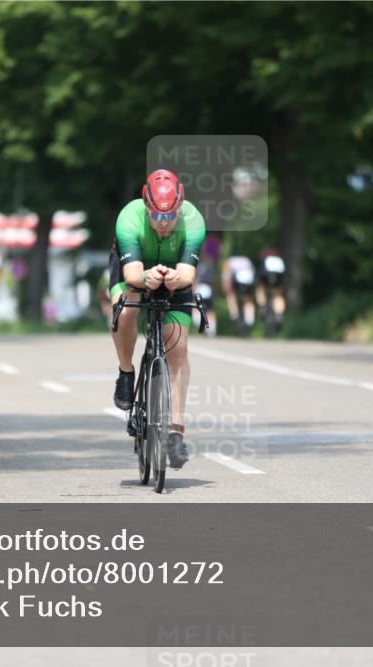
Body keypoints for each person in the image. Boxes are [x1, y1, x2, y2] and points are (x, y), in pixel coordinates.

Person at [110, 169, 205, 469]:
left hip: (174, 275)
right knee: (127, 309)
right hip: (137, 270)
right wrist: (146, 277)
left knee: (177, 347)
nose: (164, 224)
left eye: (170, 217)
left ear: (180, 207)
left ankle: (176, 430)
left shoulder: (193, 221)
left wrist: (175, 278)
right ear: (146, 205)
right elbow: (131, 275)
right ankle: (126, 373)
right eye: (157, 217)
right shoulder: (129, 218)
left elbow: (188, 274)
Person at [222, 254, 256, 333]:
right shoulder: (246, 259)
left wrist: (226, 287)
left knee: (231, 295)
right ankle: (249, 319)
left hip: (237, 279)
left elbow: (226, 276)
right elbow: (252, 271)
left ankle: (234, 315)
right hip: (248, 278)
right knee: (249, 299)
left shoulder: (229, 261)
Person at [255, 247, 287, 330]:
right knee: (278, 292)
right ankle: (279, 315)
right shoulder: (277, 255)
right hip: (279, 270)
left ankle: (263, 307)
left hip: (267, 269)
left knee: (261, 287)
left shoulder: (262, 255)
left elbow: (258, 269)